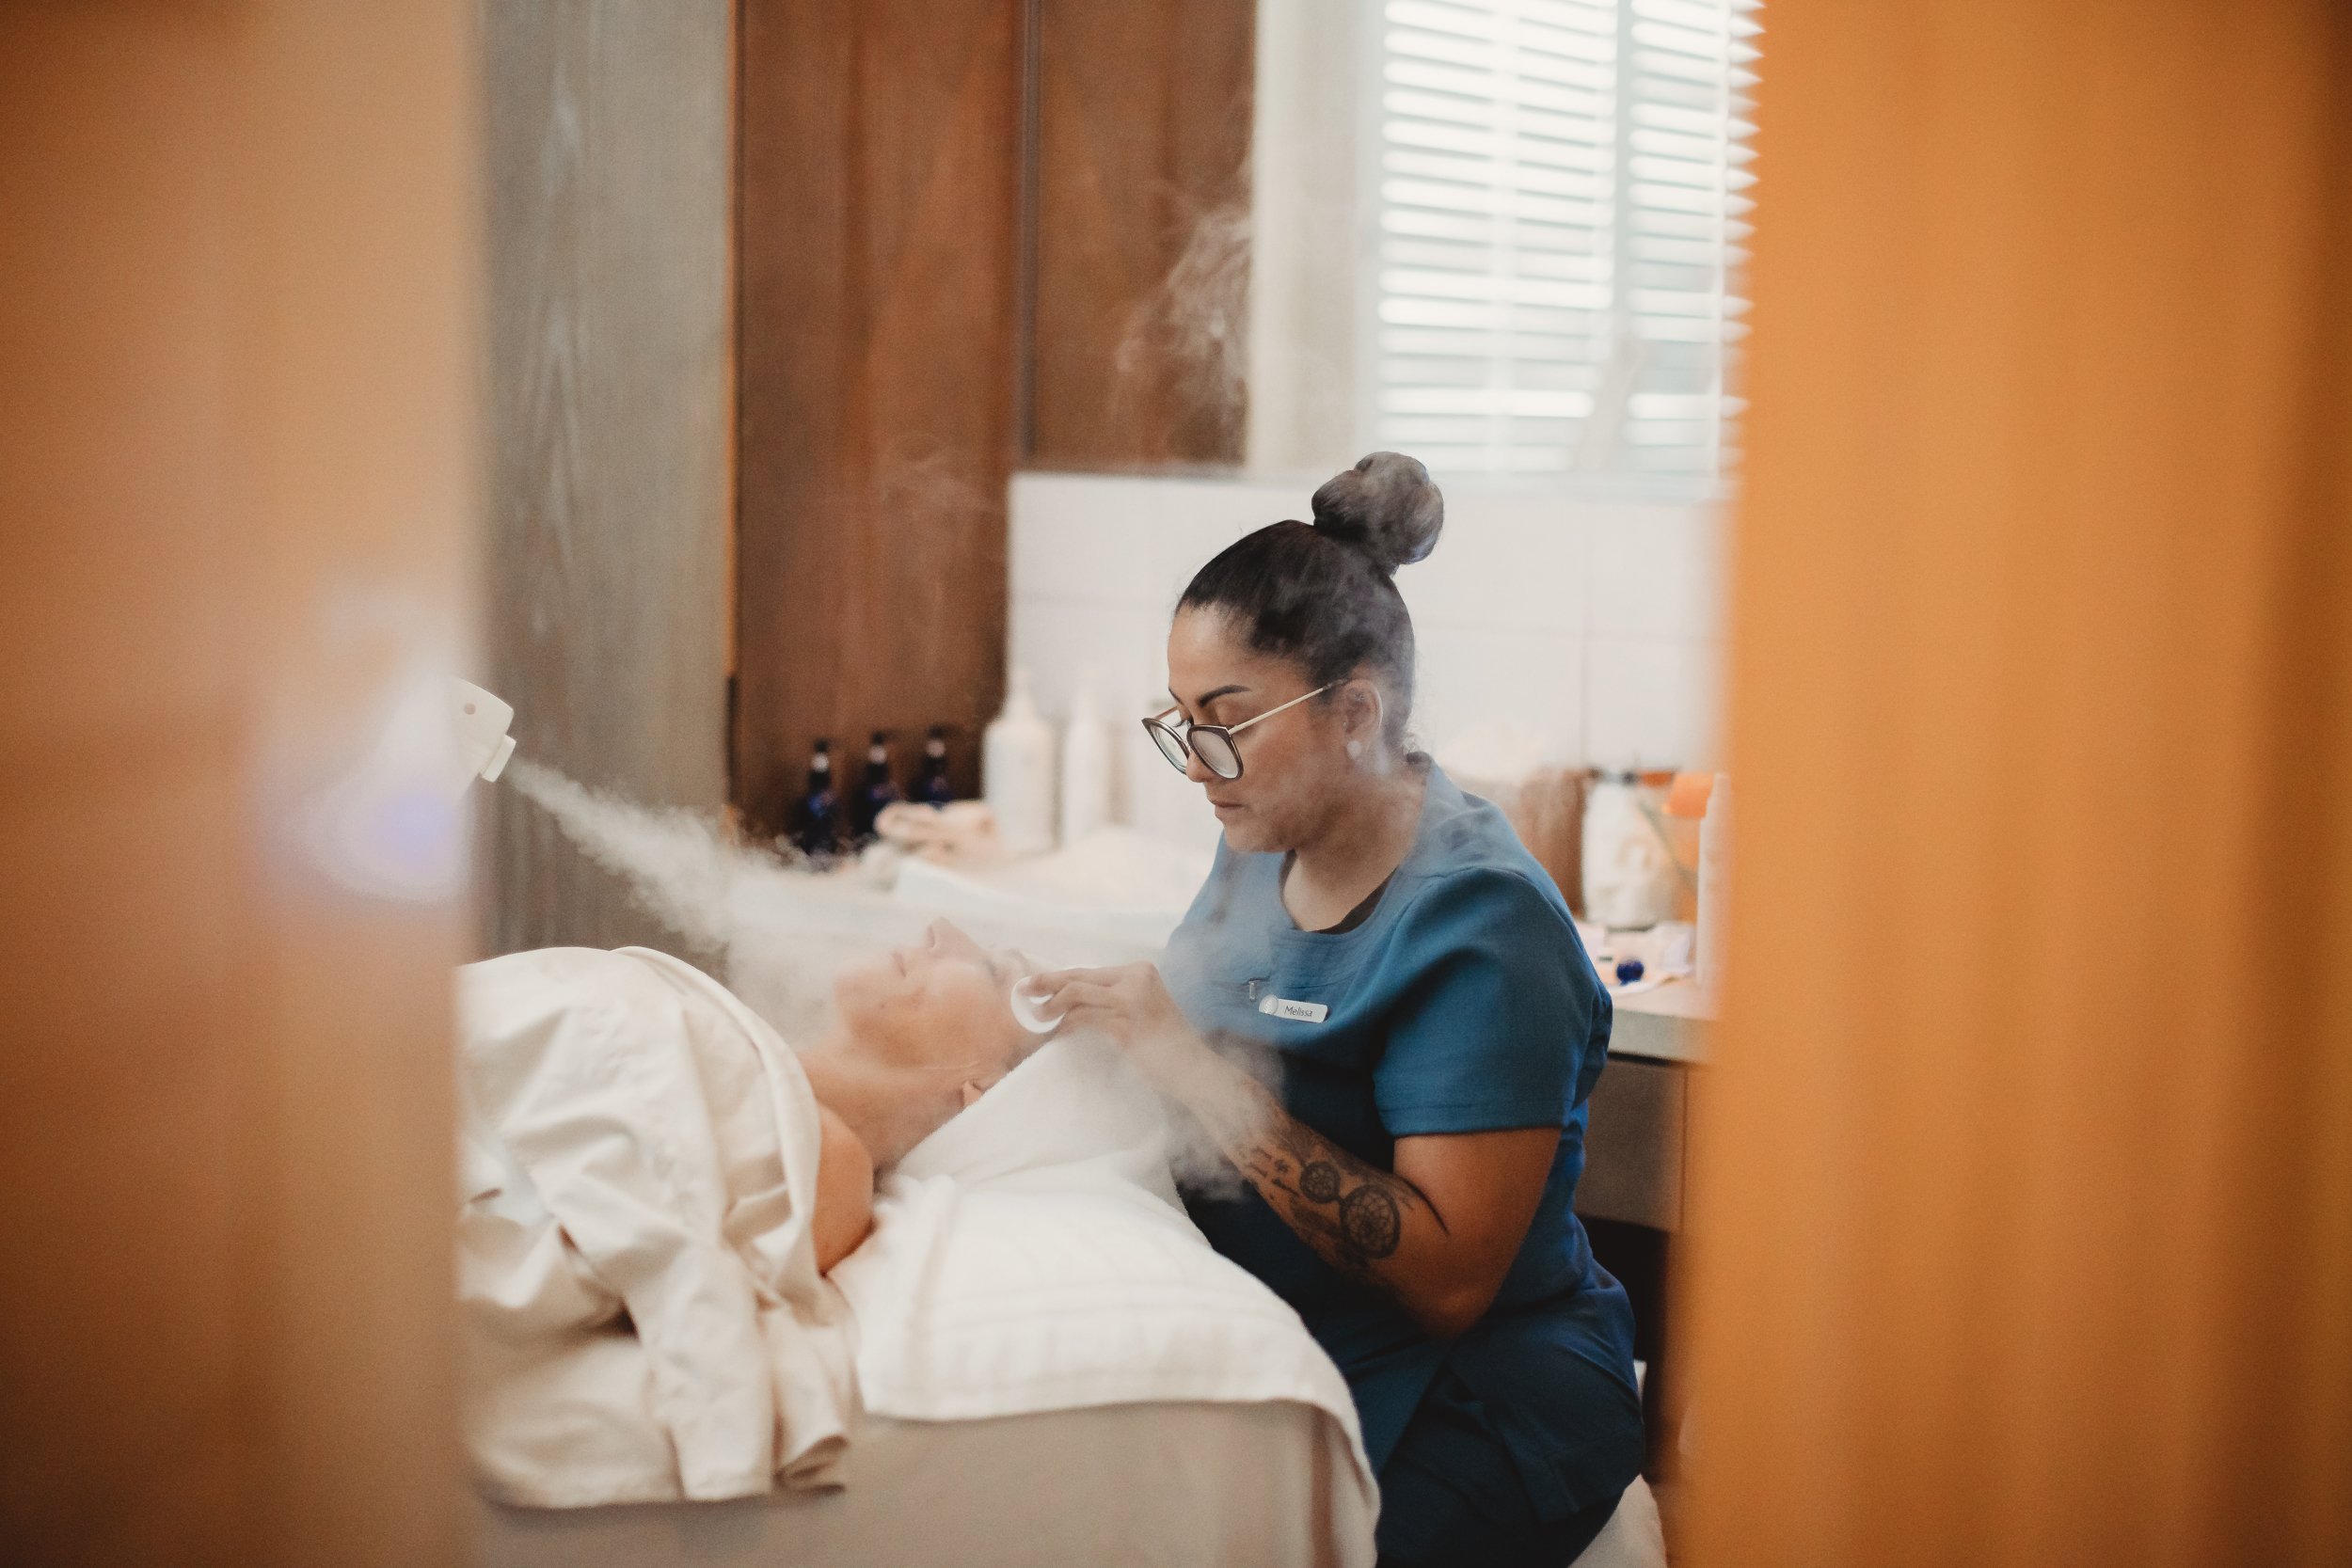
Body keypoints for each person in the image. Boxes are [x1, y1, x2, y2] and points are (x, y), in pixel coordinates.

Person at [1032, 453, 1643, 1567]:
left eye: (1227, 721)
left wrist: (1186, 1064)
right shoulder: (1259, 836)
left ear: (1355, 711)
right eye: (1180, 723)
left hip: (1480, 1391)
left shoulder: (1479, 926)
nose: (1198, 766)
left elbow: (1452, 1282)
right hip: (1294, 1337)